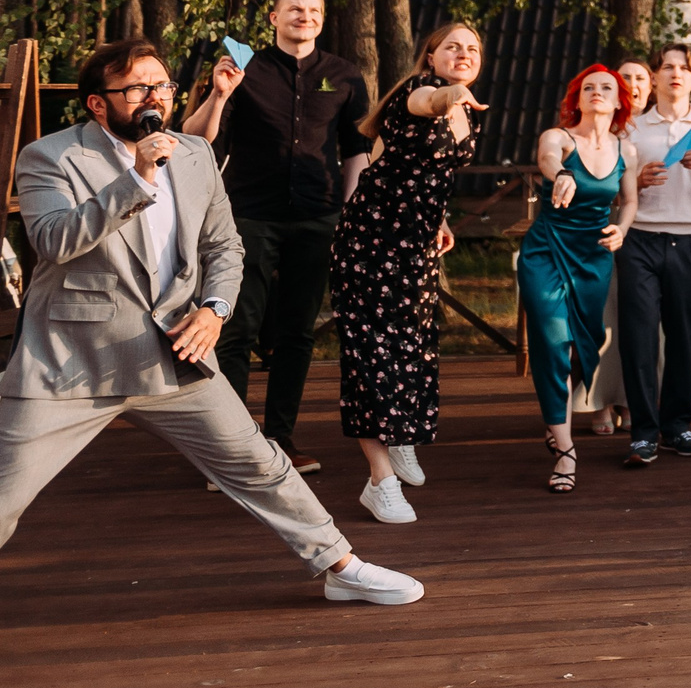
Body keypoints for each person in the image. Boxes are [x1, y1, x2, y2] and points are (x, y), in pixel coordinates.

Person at [1, 38, 422, 604]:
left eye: (162, 85)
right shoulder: (50, 156)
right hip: (71, 362)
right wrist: (138, 177)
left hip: (173, 352)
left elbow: (225, 246)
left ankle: (341, 566)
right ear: (99, 104)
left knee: (259, 464)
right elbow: (53, 242)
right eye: (137, 89)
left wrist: (215, 308)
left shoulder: (195, 153)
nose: (155, 98)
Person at [182, 0, 370, 474]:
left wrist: (348, 214)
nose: (303, 17)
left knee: (297, 333)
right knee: (235, 327)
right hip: (249, 217)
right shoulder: (243, 70)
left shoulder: (344, 77)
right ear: (273, 18)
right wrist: (220, 95)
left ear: (322, 20)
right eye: (293, 9)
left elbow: (356, 151)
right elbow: (195, 140)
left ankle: (279, 438)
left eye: (312, 11)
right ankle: (231, 444)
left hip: (318, 217)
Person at [332, 23, 487, 524]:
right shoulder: (422, 93)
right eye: (452, 47)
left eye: (472, 49)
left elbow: (387, 160)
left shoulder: (465, 112)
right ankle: (380, 482)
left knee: (415, 348)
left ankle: (400, 437)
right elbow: (430, 104)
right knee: (372, 355)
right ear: (431, 57)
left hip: (415, 246)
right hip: (370, 246)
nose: (463, 54)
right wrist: (450, 95)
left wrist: (436, 217)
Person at [617, 42, 691, 467]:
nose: (674, 74)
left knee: (684, 338)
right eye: (665, 67)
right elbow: (610, 188)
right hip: (640, 240)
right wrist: (635, 183)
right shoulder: (629, 126)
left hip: (689, 238)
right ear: (653, 77)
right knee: (639, 337)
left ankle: (678, 426)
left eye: (682, 68)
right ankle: (643, 433)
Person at [522, 66, 641, 492]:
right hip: (547, 253)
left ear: (619, 100)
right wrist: (563, 174)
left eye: (605, 87)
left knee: (585, 348)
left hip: (595, 257)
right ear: (577, 98)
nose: (596, 92)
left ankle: (555, 420)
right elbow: (547, 160)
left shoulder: (625, 148)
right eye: (587, 87)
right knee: (554, 341)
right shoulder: (559, 137)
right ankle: (567, 450)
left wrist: (622, 230)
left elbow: (629, 200)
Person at [577, 56, 660, 436]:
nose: (632, 83)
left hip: (652, 237)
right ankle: (599, 402)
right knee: (605, 323)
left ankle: (632, 400)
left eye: (640, 77)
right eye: (623, 78)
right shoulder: (598, 126)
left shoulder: (658, 129)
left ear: (651, 85)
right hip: (603, 236)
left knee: (645, 326)